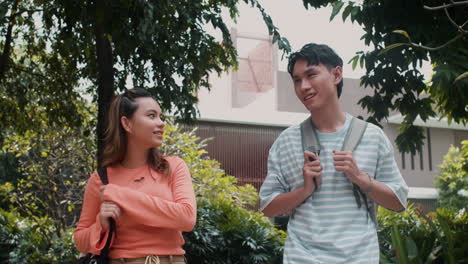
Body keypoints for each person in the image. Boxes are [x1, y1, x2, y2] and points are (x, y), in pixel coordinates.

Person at [259, 43, 408, 264]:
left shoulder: (372, 136)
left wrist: (361, 179)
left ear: (336, 74)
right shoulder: (286, 142)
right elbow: (268, 207)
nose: (303, 86)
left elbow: (398, 202)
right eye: (297, 80)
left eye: (311, 75)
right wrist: (304, 190)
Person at [74, 88, 196, 264]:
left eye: (161, 117)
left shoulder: (173, 166)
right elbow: (80, 241)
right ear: (127, 124)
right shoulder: (101, 178)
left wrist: (120, 195)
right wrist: (101, 224)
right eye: (152, 116)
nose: (161, 123)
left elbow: (187, 217)